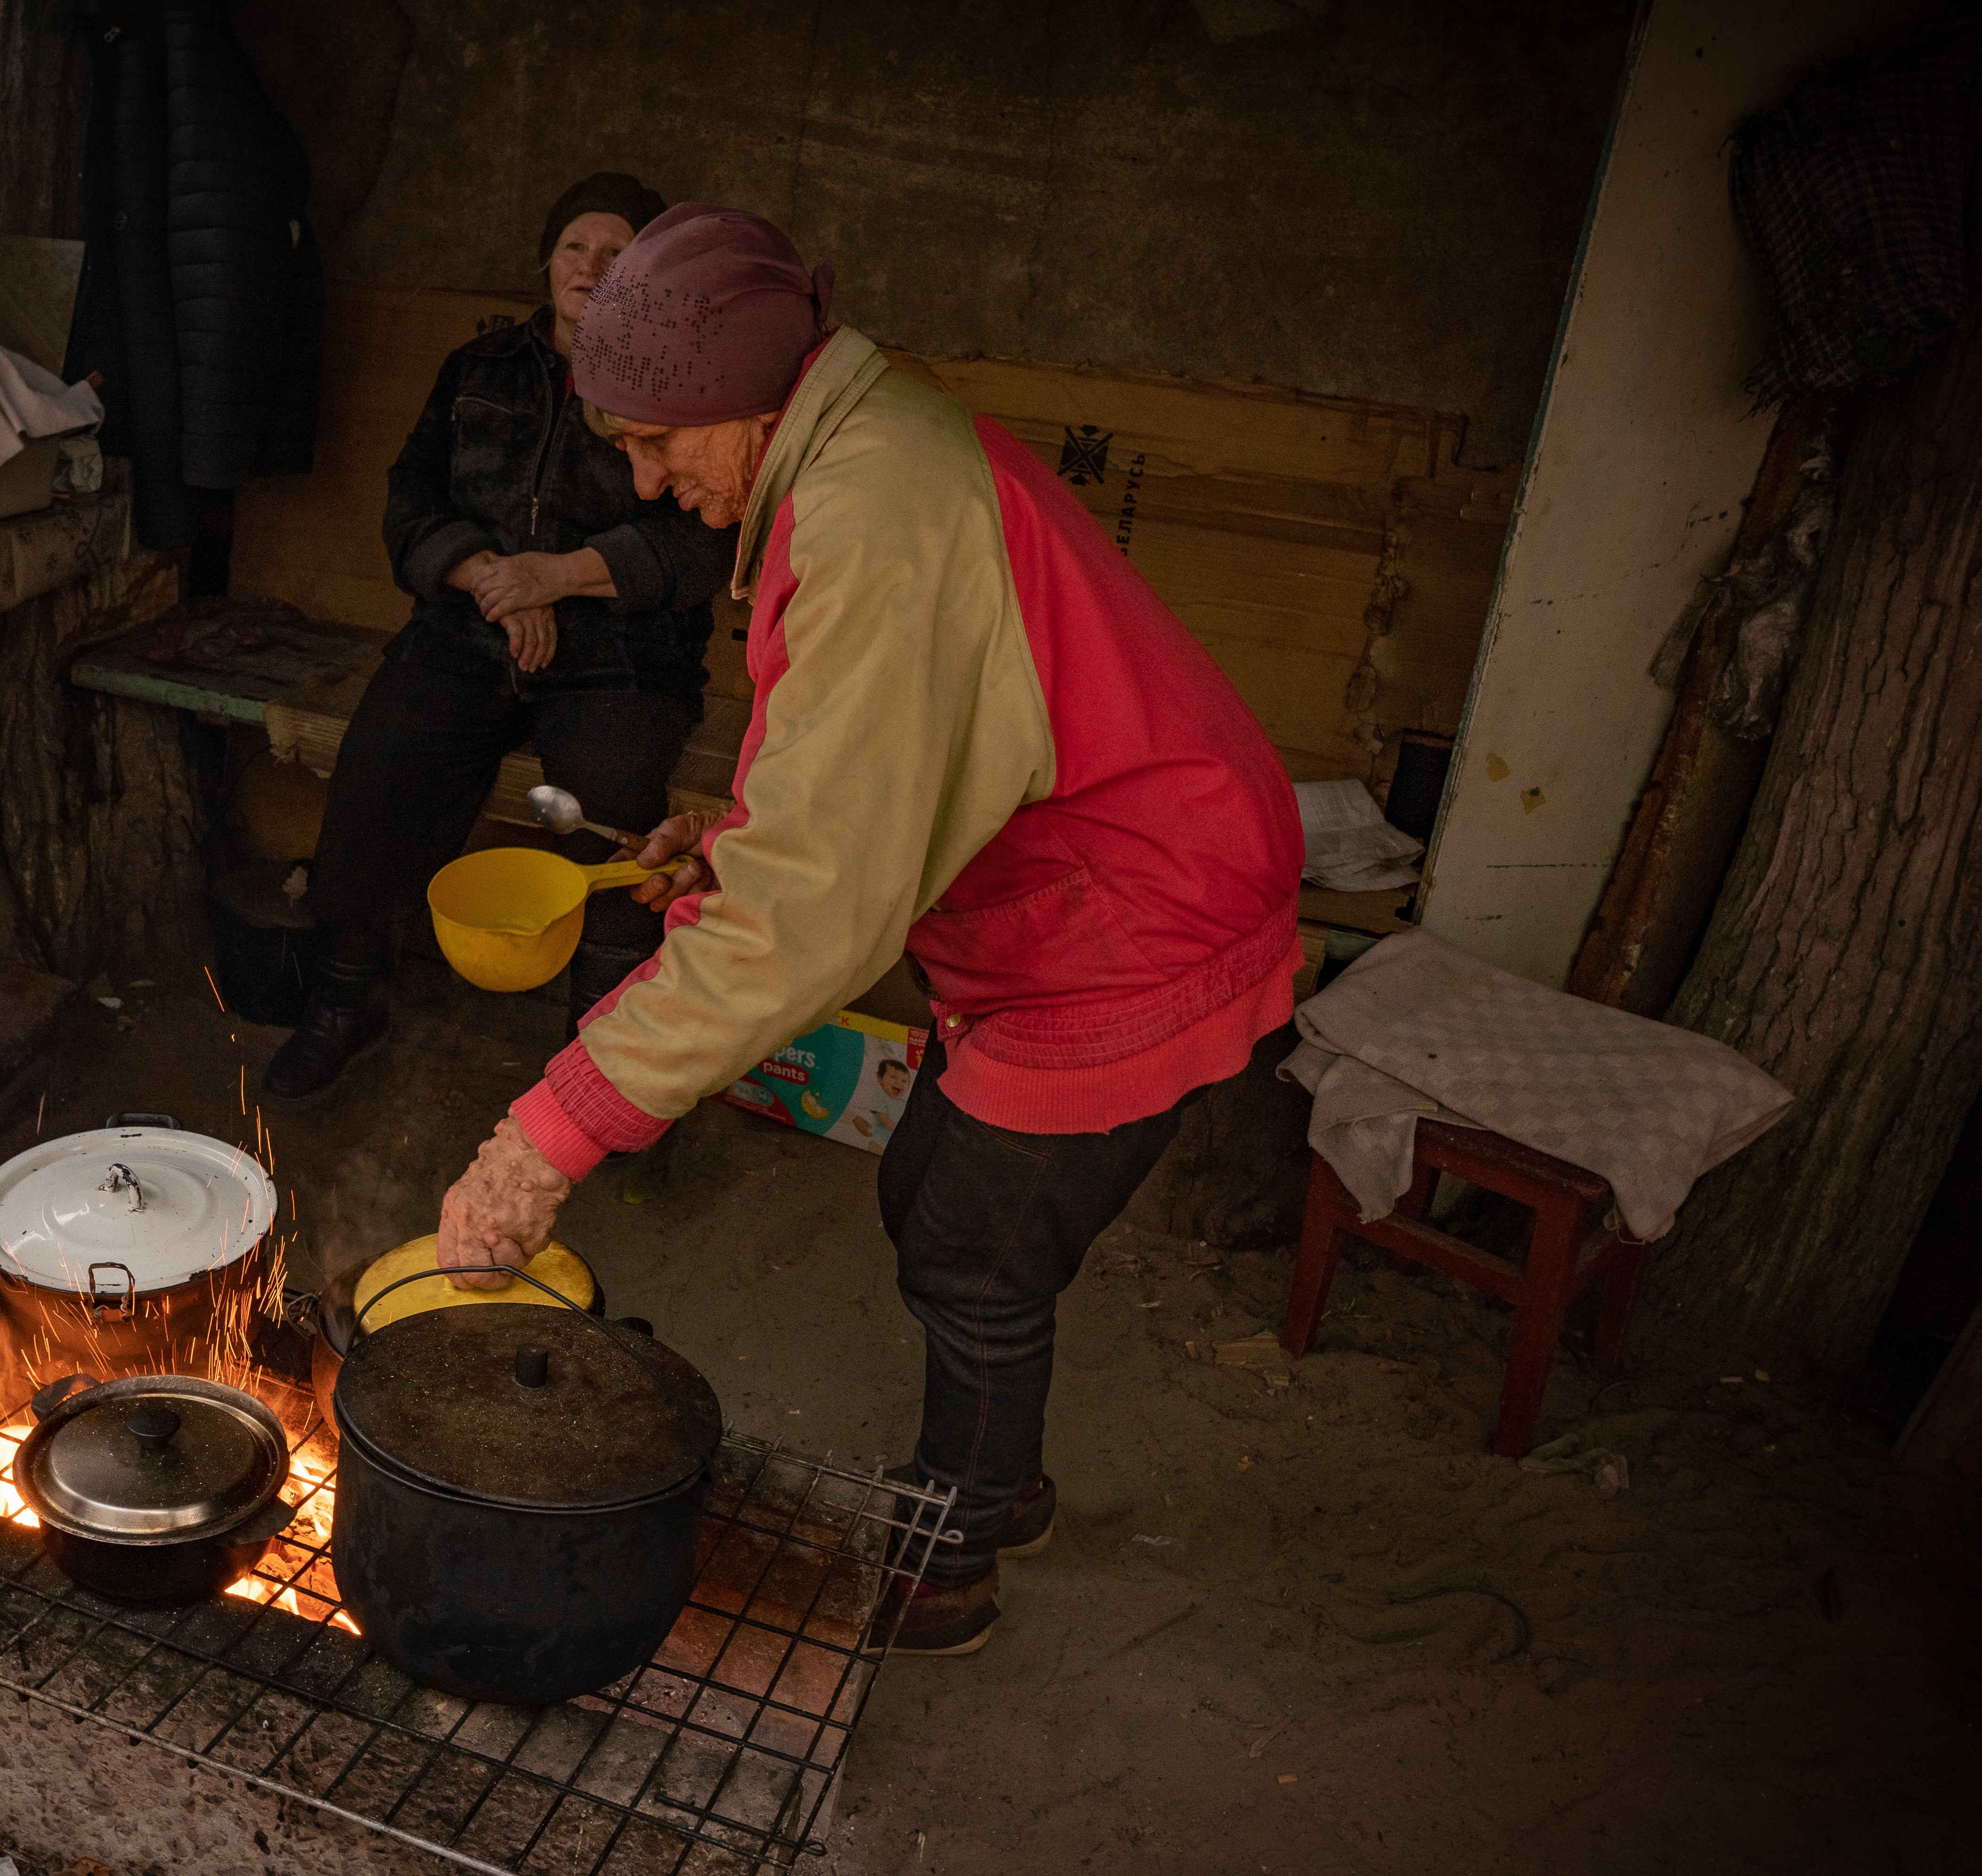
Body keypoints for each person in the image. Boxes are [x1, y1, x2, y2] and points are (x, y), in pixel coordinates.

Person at [430, 204, 1305, 1656]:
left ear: (753, 403)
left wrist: (545, 1135)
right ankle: (998, 1476)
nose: (648, 481)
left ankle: (958, 1549)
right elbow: (904, 752)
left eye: (659, 447)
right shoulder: (854, 439)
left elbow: (806, 921)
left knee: (968, 1244)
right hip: (1089, 871)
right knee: (937, 1204)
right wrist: (738, 837)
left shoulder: (878, 509)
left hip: (1136, 914)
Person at [266, 174, 737, 1099]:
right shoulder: (478, 370)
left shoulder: (683, 387)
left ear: (647, 277)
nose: (591, 267)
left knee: (614, 814)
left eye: (616, 253)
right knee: (381, 768)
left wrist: (556, 578)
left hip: (621, 654)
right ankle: (347, 1001)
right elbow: (412, 497)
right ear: (545, 262)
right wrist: (490, 578)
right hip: (470, 628)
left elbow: (698, 542)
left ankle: (608, 1066)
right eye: (575, 247)